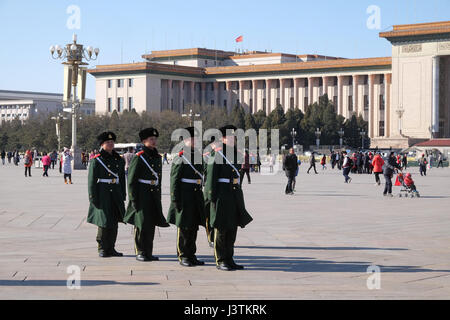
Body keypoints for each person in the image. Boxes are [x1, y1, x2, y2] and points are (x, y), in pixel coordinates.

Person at [204, 124, 253, 271]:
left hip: (234, 195)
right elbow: (211, 178)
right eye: (231, 136)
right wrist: (211, 199)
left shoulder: (235, 154)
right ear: (223, 138)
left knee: (232, 229)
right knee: (221, 229)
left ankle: (230, 258)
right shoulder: (217, 154)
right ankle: (221, 259)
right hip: (221, 195)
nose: (234, 139)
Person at [123, 128, 169, 262]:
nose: (154, 141)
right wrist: (133, 199)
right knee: (141, 224)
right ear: (144, 141)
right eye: (151, 139)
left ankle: (148, 252)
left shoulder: (157, 157)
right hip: (142, 195)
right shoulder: (139, 157)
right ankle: (140, 251)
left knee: (151, 225)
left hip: (153, 195)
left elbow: (158, 179)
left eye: (155, 139)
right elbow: (131, 180)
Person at [167, 126, 206, 267]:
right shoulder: (180, 155)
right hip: (184, 195)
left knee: (194, 227)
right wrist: (175, 198)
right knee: (184, 227)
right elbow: (174, 178)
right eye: (194, 138)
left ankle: (191, 254)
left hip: (196, 194)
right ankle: (183, 255)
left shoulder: (197, 154)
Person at [87, 131, 126, 258]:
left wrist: (123, 194)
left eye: (112, 142)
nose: (110, 144)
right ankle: (102, 248)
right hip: (103, 193)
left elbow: (121, 178)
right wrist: (93, 197)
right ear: (102, 144)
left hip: (115, 193)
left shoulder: (118, 160)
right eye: (107, 142)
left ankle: (111, 247)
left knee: (114, 222)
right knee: (104, 222)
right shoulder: (97, 160)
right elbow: (92, 181)